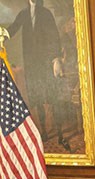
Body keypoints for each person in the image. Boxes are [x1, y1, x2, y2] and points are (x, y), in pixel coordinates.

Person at [6, 0, 70, 151]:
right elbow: (12, 29)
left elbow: (55, 37)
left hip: (47, 64)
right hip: (32, 65)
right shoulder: (23, 14)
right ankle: (44, 132)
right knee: (37, 99)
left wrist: (56, 59)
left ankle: (60, 133)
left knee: (53, 98)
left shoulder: (46, 14)